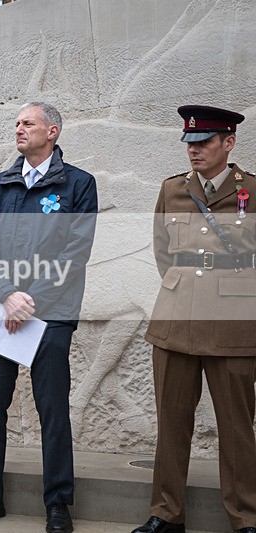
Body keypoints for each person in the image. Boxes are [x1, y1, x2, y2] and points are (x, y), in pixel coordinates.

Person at [0, 103, 98, 531]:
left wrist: (29, 300)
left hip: (51, 314)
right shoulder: (0, 184)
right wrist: (7, 296)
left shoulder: (79, 184)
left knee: (52, 409)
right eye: (17, 123)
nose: (19, 129)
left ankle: (58, 502)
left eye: (28, 123)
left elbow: (74, 254)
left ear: (52, 131)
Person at [133, 106, 256, 533]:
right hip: (176, 320)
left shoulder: (253, 190)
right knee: (171, 422)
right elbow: (164, 254)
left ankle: (246, 518)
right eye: (189, 143)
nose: (194, 151)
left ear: (229, 143)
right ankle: (165, 514)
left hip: (234, 323)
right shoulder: (173, 191)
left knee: (237, 427)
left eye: (204, 142)